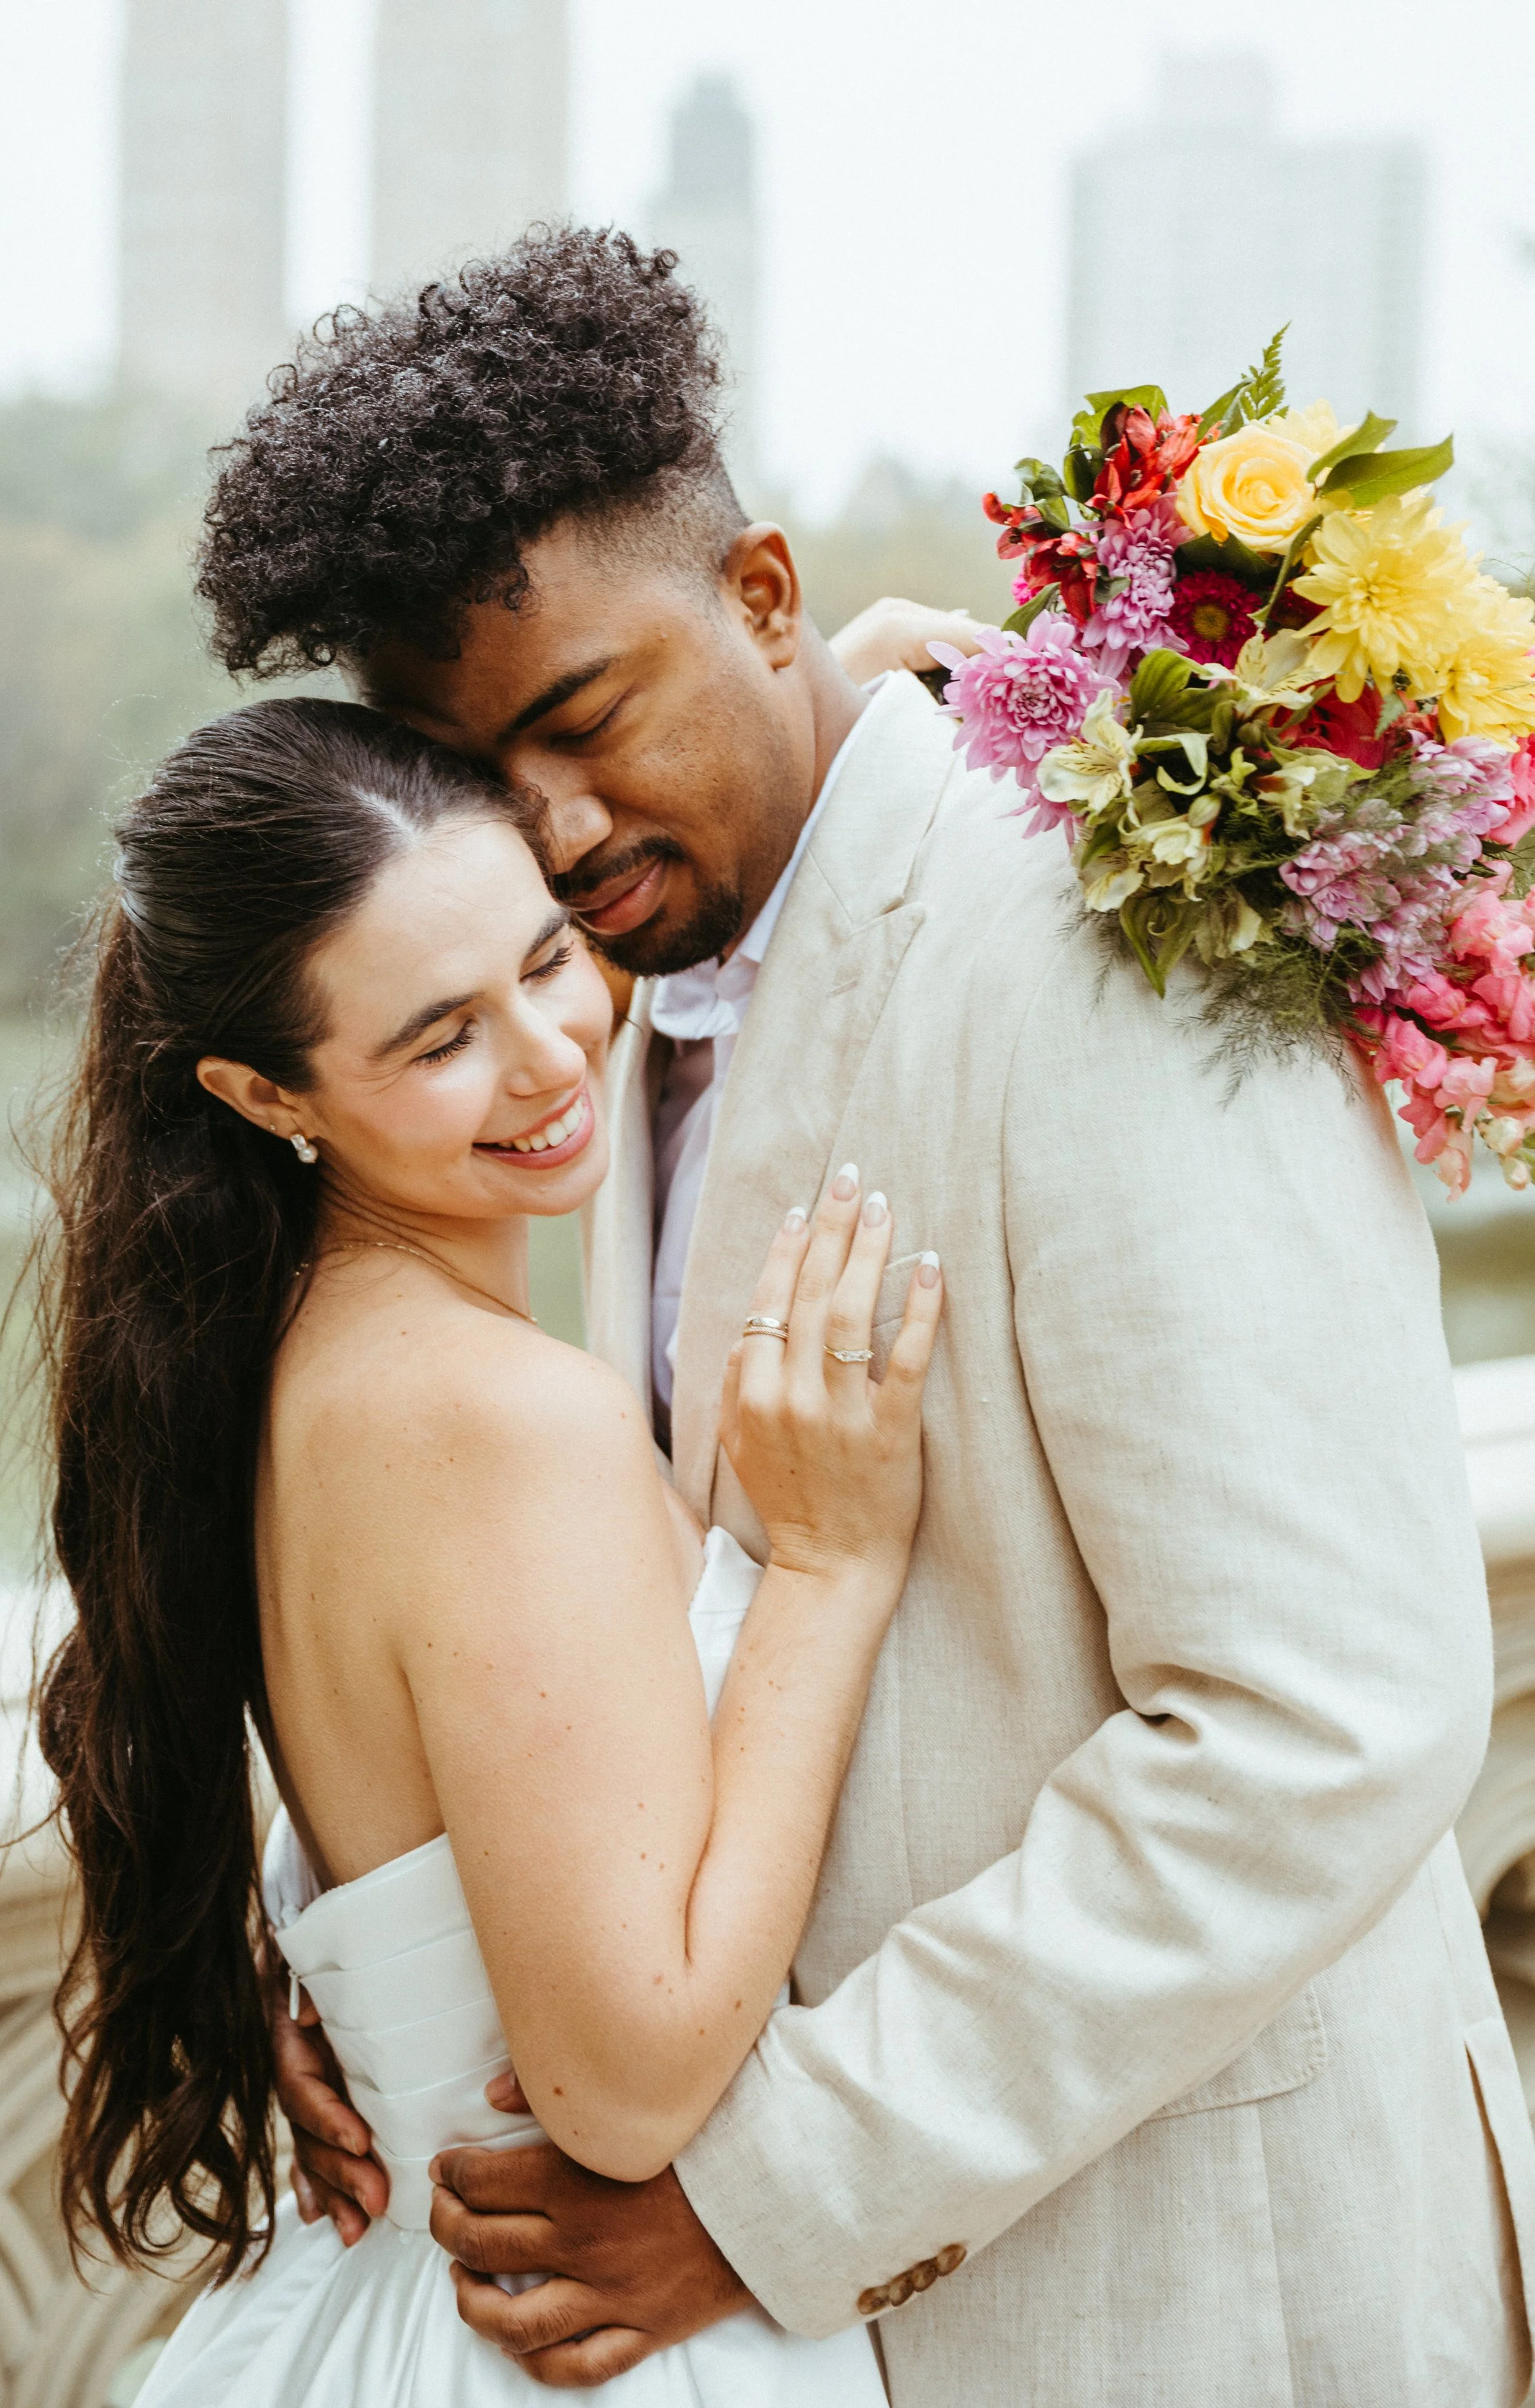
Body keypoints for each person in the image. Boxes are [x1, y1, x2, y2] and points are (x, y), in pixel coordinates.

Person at [215, 229, 1535, 2406]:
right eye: (475, 775)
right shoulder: (587, 1021)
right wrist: (412, 1940)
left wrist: (775, 2185)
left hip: (1193, 2290)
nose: (542, 835)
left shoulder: (1111, 949)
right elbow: (578, 1592)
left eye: (580, 719)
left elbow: (1326, 1709)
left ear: (760, 594)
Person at [35, 695, 945, 2407]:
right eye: (440, 1035)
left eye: (547, 957)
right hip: (579, 2332)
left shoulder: (281, 1354)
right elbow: (623, 2082)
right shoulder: (500, 1420)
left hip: (392, 2288)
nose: (548, 1052)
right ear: (262, 1091)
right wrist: (825, 1573)